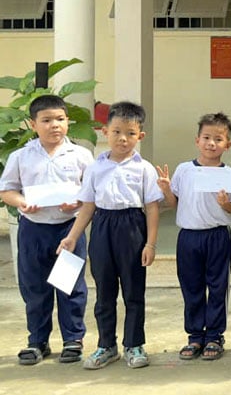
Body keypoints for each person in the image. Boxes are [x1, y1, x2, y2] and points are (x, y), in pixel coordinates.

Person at [57, 101, 163, 370]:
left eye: (130, 133)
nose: (123, 138)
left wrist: (150, 244)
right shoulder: (95, 167)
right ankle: (106, 345)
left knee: (133, 290)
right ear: (105, 132)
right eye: (116, 132)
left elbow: (152, 208)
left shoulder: (144, 168)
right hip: (103, 226)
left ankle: (134, 344)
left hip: (132, 226)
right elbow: (88, 206)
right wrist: (72, 237)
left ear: (140, 136)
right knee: (104, 291)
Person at [0, 95, 93, 366]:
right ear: (33, 124)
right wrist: (22, 202)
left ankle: (72, 339)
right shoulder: (21, 156)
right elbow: (7, 190)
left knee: (69, 285)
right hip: (33, 230)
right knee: (35, 287)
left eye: (60, 119)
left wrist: (76, 202)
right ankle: (38, 341)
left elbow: (90, 191)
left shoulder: (80, 155)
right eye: (47, 120)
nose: (55, 125)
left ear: (68, 121)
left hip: (68, 229)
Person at [155, 113, 231, 361]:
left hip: (217, 236)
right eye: (206, 137)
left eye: (218, 139)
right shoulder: (185, 170)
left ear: (227, 144)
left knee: (218, 286)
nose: (211, 143)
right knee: (191, 286)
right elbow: (174, 203)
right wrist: (166, 189)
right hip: (189, 237)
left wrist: (225, 203)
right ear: (197, 140)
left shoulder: (230, 174)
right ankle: (194, 335)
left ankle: (214, 335)